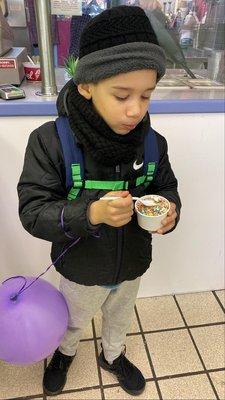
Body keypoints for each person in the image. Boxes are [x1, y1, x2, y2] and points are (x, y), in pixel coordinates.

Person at [17, 5, 181, 397]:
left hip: (132, 261)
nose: (136, 109)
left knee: (120, 316)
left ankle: (113, 353)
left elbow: (166, 187)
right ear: (87, 85)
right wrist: (90, 212)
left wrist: (170, 212)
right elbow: (33, 211)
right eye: (122, 95)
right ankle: (65, 353)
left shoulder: (152, 143)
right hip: (80, 263)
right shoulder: (50, 141)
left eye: (146, 95)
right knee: (73, 319)